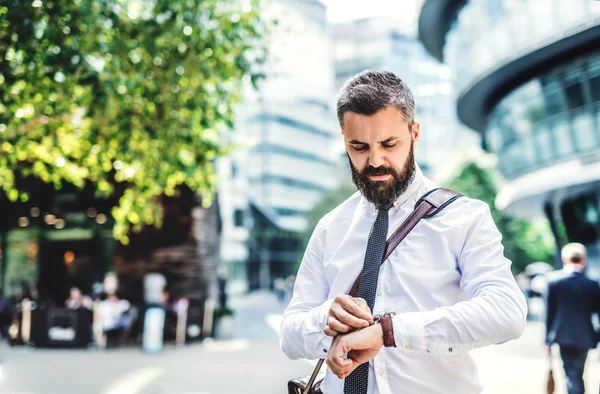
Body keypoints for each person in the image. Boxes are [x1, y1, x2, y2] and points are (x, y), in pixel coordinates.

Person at [279, 70, 527, 394]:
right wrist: (325, 322)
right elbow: (290, 334)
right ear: (344, 140)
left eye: (389, 143)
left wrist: (390, 331)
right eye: (359, 147)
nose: (375, 160)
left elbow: (506, 312)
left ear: (415, 133)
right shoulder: (330, 228)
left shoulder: (465, 218)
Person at [543, 243, 600, 394]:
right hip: (586, 337)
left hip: (563, 336)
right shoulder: (593, 283)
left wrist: (547, 339)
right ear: (584, 260)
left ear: (564, 260)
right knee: (578, 373)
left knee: (570, 373)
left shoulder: (554, 281)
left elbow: (550, 313)